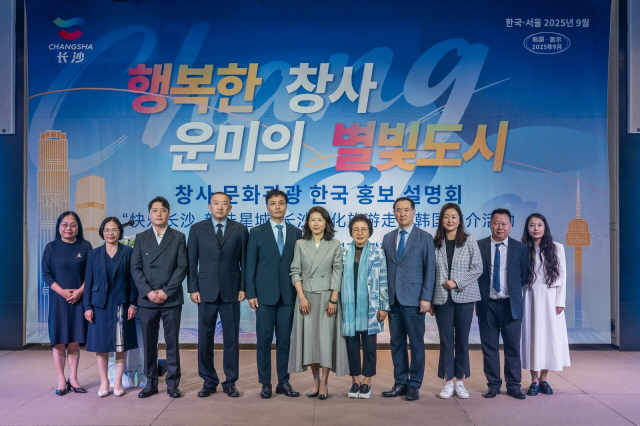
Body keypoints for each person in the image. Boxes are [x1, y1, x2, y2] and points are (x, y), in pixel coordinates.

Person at [188, 192, 249, 398]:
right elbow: (191, 261)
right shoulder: (197, 229)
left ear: (230, 208)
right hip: (205, 291)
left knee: (231, 339)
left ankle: (230, 382)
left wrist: (243, 287)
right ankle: (208, 381)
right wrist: (193, 288)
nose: (220, 207)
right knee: (205, 338)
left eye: (224, 204)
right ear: (209, 207)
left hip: (231, 290)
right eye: (216, 203)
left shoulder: (240, 229)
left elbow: (244, 262)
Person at [245, 189, 302, 398]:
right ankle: (265, 383)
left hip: (288, 296)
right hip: (264, 296)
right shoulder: (256, 232)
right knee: (264, 341)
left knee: (285, 341)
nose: (277, 207)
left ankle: (283, 382)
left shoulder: (296, 233)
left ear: (286, 206)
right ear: (267, 207)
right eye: (273, 203)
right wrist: (251, 293)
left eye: (281, 203)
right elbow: (250, 265)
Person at [289, 206, 348, 400]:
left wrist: (334, 299)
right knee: (310, 342)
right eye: (312, 219)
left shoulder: (334, 244)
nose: (316, 223)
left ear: (326, 223)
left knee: (325, 341)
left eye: (320, 220)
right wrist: (301, 297)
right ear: (307, 222)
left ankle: (324, 382)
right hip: (306, 297)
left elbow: (338, 271)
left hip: (326, 298)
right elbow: (295, 270)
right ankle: (315, 381)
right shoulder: (300, 244)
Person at [131, 196, 188, 399]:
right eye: (155, 210)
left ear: (168, 213)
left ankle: (173, 384)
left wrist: (166, 291)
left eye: (163, 210)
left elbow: (182, 266)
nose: (159, 214)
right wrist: (148, 291)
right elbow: (135, 267)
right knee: (149, 343)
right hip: (148, 299)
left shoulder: (178, 237)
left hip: (170, 298)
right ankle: (151, 383)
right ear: (149, 214)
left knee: (172, 342)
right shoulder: (141, 237)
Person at [381, 197, 436, 401]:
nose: (402, 214)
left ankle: (414, 384)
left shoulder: (425, 237)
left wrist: (426, 297)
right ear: (394, 213)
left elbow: (430, 269)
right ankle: (400, 382)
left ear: (413, 212)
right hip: (393, 299)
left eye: (406, 210)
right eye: (398, 210)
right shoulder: (387, 238)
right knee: (396, 343)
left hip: (415, 299)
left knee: (416, 343)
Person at [476, 208, 529, 399]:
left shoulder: (520, 248)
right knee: (489, 347)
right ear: (490, 224)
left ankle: (514, 385)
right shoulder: (479, 245)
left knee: (512, 347)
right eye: (496, 223)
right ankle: (493, 385)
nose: (500, 227)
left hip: (510, 305)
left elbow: (524, 275)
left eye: (504, 223)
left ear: (511, 225)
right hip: (487, 304)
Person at [431, 203, 482, 399]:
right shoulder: (435, 243)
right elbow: (430, 272)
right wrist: (429, 299)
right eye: (446, 216)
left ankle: (460, 382)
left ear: (460, 219)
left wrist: (456, 282)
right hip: (442, 298)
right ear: (441, 219)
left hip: (465, 297)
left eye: (454, 216)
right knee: (446, 341)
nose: (450, 220)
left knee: (461, 340)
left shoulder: (469, 241)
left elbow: (477, 268)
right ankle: (448, 382)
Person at [83, 217, 138, 397]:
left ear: (120, 232)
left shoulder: (128, 252)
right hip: (99, 304)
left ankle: (118, 381)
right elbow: (89, 281)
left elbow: (133, 281)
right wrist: (87, 306)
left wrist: (133, 303)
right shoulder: (94, 254)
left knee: (121, 344)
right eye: (107, 230)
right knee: (101, 345)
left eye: (114, 229)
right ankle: (104, 381)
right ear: (102, 232)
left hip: (122, 302)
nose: (110, 233)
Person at [42, 211, 92, 395]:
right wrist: (63, 292)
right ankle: (61, 380)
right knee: (58, 341)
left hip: (79, 300)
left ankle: (74, 378)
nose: (68, 228)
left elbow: (91, 273)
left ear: (78, 227)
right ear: (59, 226)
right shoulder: (51, 247)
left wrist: (79, 292)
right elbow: (46, 275)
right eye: (64, 224)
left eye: (73, 225)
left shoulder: (85, 246)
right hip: (58, 301)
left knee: (74, 342)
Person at [520, 213, 570, 396]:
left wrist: (560, 301)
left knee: (548, 338)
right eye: (532, 225)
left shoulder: (557, 248)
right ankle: (533, 379)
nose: (536, 229)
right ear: (527, 228)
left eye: (539, 225)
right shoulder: (522, 248)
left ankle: (544, 379)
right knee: (532, 337)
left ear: (545, 227)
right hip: (529, 298)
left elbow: (563, 276)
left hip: (550, 299)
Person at [341, 214, 389, 399]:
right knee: (351, 347)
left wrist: (383, 306)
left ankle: (367, 381)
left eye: (363, 229)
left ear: (369, 231)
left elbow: (383, 280)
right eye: (356, 229)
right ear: (351, 232)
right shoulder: (344, 252)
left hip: (371, 307)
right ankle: (355, 381)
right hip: (349, 308)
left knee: (369, 347)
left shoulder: (378, 252)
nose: (359, 233)